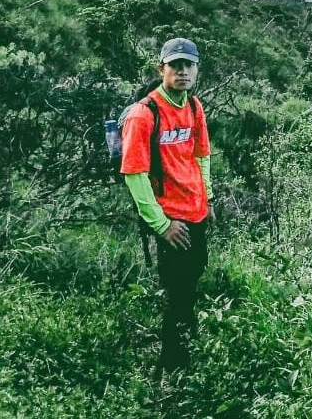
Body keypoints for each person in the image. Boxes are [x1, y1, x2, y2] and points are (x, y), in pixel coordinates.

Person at [120, 37, 214, 373]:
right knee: (177, 294)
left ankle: (185, 356)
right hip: (171, 219)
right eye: (175, 65)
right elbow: (134, 174)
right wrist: (161, 225)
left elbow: (201, 154)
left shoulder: (194, 106)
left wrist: (209, 197)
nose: (182, 71)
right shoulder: (144, 115)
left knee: (191, 284)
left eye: (188, 65)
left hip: (196, 211)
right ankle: (173, 369)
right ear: (161, 69)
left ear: (197, 69)